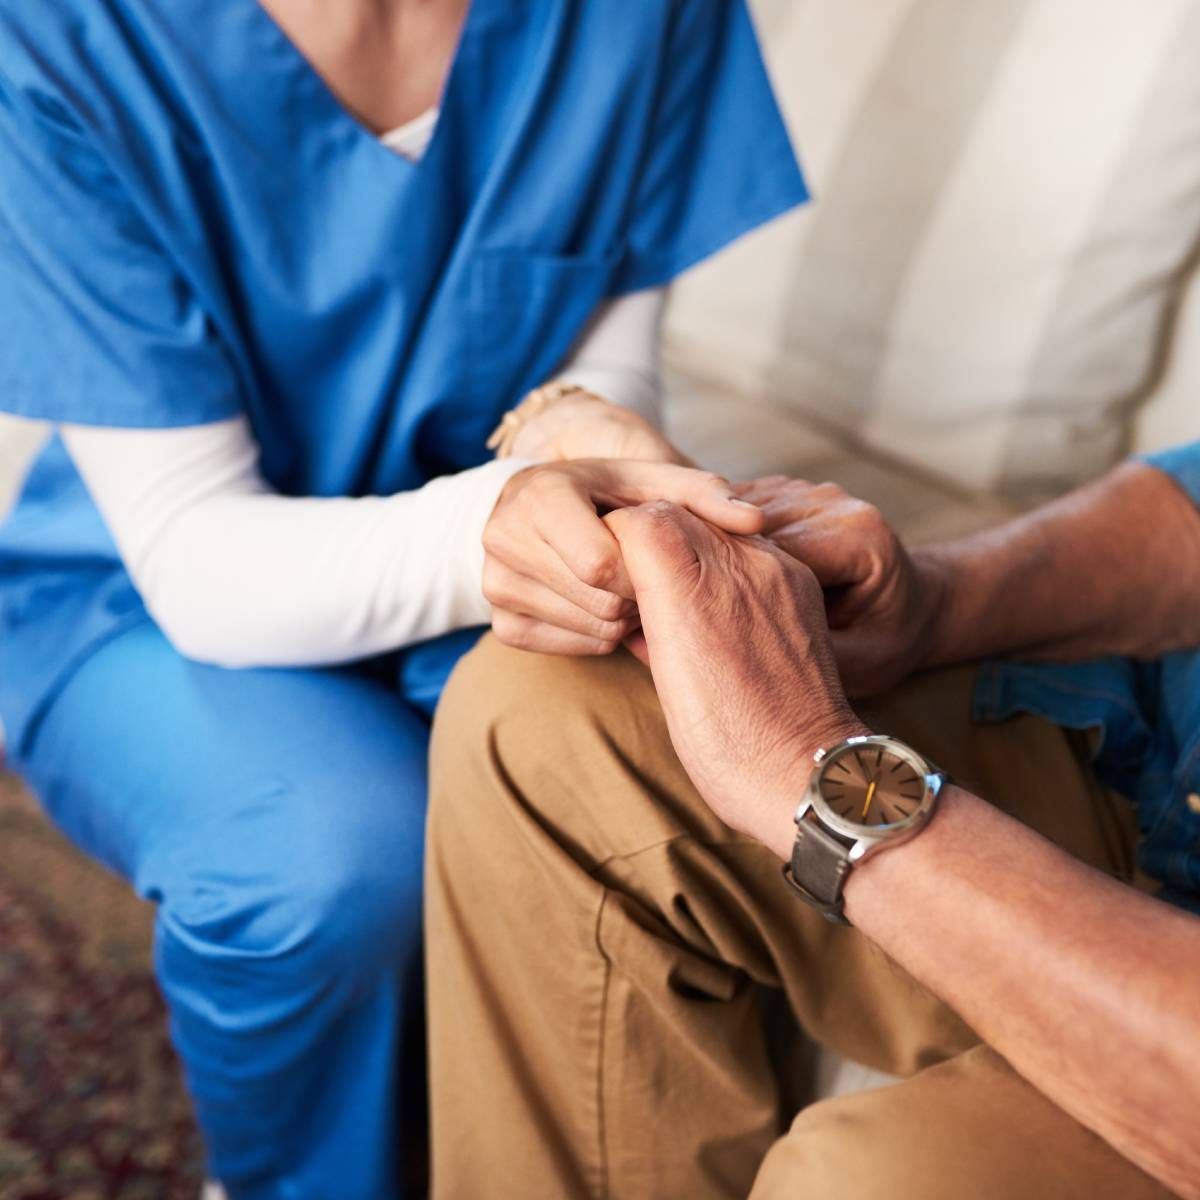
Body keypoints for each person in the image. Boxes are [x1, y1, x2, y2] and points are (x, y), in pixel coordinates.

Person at [0, 1, 806, 1194]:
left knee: (657, 776)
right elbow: (195, 552)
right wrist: (495, 522)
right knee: (330, 864)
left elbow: (599, 356)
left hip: (492, 556)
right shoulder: (61, 40)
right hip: (144, 596)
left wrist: (578, 433)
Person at [427, 443, 1200, 1199]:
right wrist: (935, 604)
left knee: (864, 1182)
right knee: (539, 716)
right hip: (1141, 746)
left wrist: (804, 765)